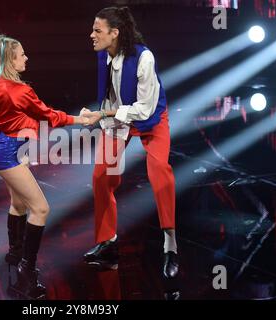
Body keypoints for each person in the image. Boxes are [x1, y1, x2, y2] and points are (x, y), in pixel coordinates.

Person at [0, 33, 89, 299]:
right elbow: (50, 116)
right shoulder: (21, 91)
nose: (27, 57)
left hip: (4, 151)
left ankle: (15, 254)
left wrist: (12, 130)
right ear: (11, 61)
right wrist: (80, 120)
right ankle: (27, 272)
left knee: (19, 205)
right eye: (22, 54)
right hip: (11, 155)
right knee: (40, 208)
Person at [81, 6, 178, 278]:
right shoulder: (104, 55)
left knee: (159, 172)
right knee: (102, 175)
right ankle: (108, 242)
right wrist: (99, 117)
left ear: (115, 33)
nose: (91, 35)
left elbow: (144, 110)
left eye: (97, 30)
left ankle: (170, 246)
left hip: (150, 118)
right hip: (118, 118)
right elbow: (111, 95)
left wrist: (104, 113)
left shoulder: (144, 58)